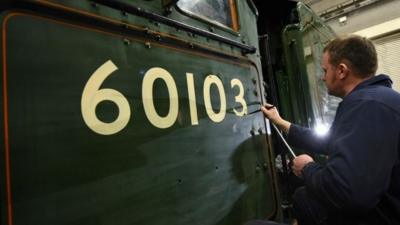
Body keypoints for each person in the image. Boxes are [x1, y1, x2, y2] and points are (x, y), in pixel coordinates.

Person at [258, 35, 400, 225]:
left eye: (325, 70)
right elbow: (328, 141)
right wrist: (281, 122)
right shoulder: (378, 99)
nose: (323, 77)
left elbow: (348, 192)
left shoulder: (366, 106)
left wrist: (307, 168)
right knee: (303, 197)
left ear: (341, 71)